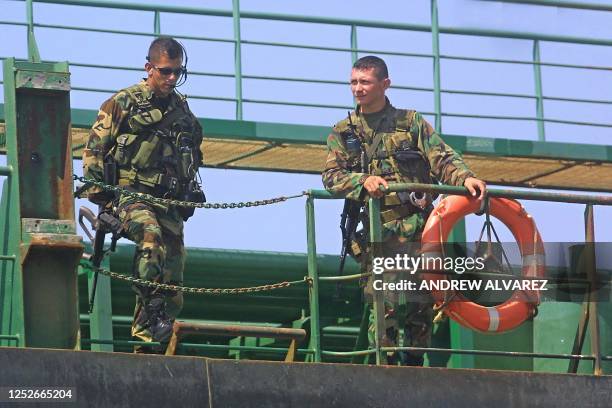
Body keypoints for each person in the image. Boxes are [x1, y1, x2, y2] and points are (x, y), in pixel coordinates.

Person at [322, 55, 486, 366]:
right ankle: (383, 369)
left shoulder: (410, 123)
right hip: (379, 233)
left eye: (365, 82)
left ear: (385, 84)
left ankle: (413, 370)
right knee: (384, 308)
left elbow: (442, 159)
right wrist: (363, 180)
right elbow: (332, 177)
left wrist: (466, 178)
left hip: (420, 231)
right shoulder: (343, 132)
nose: (358, 88)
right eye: (354, 82)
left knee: (419, 309)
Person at [82, 36, 204, 352]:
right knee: (151, 239)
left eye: (178, 72)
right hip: (128, 194)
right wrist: (104, 203)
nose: (172, 78)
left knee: (174, 274)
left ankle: (147, 344)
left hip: (167, 201)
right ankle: (151, 313)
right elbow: (94, 153)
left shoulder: (183, 111)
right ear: (149, 67)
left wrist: (190, 189)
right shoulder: (121, 104)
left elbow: (192, 153)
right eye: (165, 71)